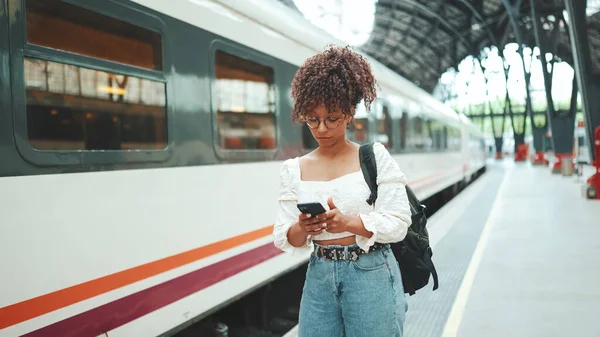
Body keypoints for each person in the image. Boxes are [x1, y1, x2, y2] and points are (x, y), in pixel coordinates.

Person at [273, 44, 413, 337]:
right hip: (319, 275)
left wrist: (348, 222)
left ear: (349, 114)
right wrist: (303, 227)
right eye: (312, 119)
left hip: (370, 271)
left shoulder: (374, 157)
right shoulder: (294, 168)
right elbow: (286, 236)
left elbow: (399, 222)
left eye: (332, 118)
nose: (321, 129)